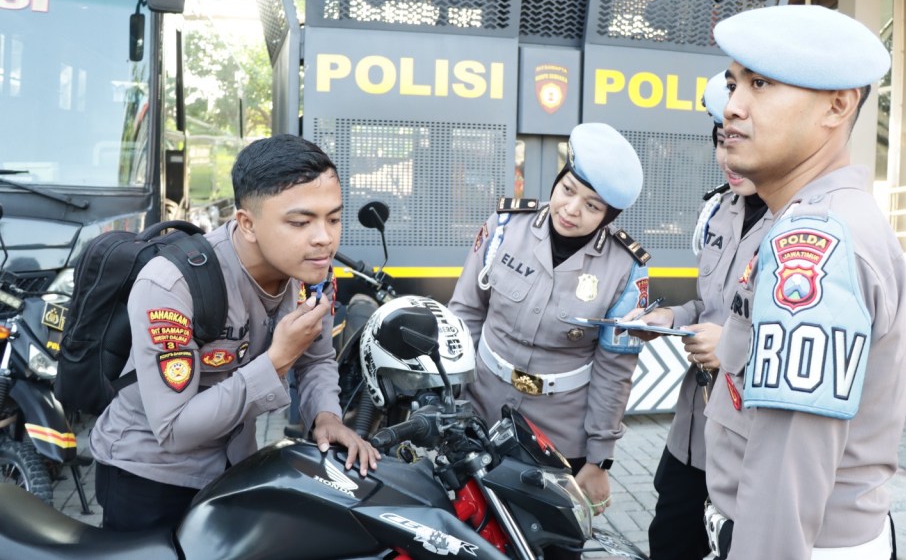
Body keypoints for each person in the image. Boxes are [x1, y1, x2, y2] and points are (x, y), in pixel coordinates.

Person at [90, 134, 380, 532]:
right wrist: (276, 361)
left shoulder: (312, 272)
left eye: (333, 218)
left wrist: (326, 415)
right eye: (301, 222)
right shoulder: (171, 285)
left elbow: (316, 358)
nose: (324, 238)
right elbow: (173, 430)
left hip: (235, 467)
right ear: (247, 224)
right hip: (149, 476)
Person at [701, 5, 906, 560]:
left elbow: (786, 476)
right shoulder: (807, 218)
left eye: (761, 84)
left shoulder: (816, 245)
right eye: (733, 83)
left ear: (838, 106)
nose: (732, 106)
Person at [448, 122, 650, 519]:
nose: (572, 209)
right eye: (568, 190)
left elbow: (613, 370)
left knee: (548, 537)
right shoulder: (505, 228)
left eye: (592, 206)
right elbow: (466, 312)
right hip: (480, 408)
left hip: (558, 433)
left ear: (608, 216)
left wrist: (599, 459)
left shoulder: (625, 269)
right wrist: (451, 396)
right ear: (558, 181)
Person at [626, 71, 771, 560]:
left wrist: (730, 344)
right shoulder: (718, 211)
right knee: (669, 544)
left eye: (738, 141)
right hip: (692, 433)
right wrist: (672, 316)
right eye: (720, 142)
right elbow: (712, 305)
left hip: (750, 441)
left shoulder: (798, 223)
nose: (727, 156)